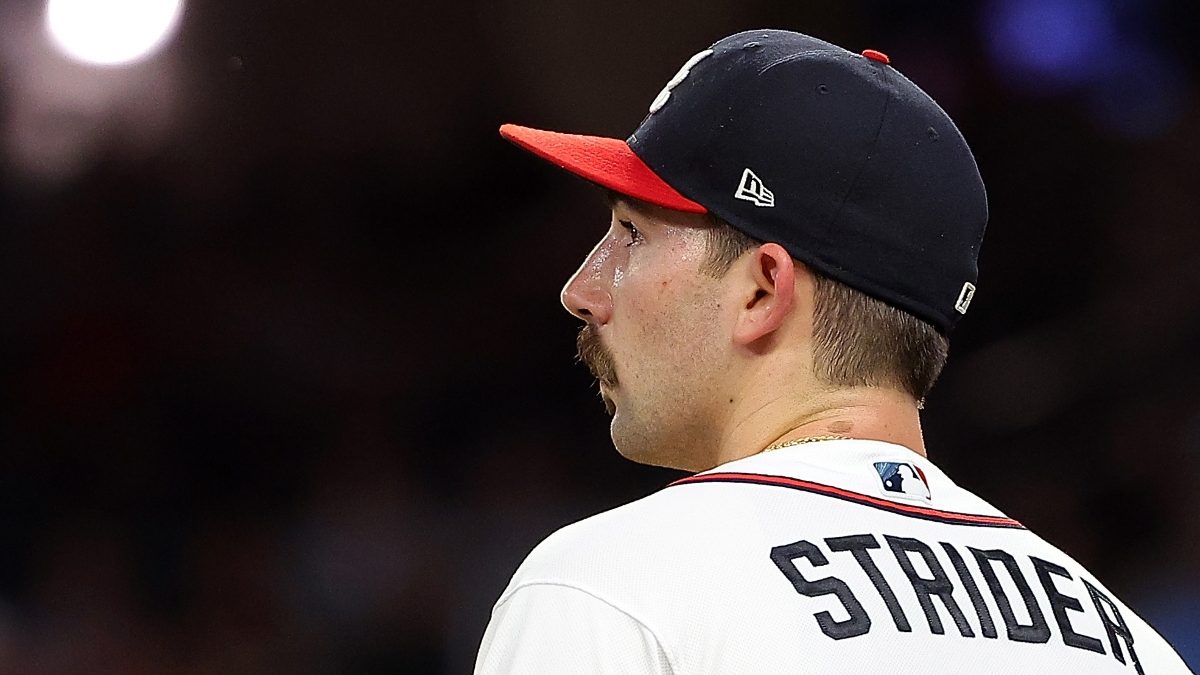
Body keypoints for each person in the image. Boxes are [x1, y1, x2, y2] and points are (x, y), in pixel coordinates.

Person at [476, 29, 1192, 674]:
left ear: (763, 290)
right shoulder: (1130, 644)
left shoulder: (614, 590)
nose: (581, 289)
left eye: (631, 233)